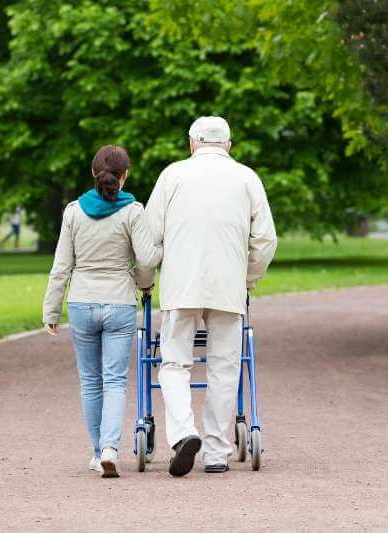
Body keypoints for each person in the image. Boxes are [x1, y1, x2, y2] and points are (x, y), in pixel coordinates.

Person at [143, 116, 277, 477]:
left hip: (180, 285)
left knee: (174, 363)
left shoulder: (172, 175)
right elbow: (265, 241)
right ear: (228, 146)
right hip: (227, 287)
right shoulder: (247, 178)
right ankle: (216, 451)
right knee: (224, 366)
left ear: (192, 144)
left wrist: (144, 279)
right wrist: (248, 279)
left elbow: (149, 237)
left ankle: (184, 432)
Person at [42, 145, 162, 478]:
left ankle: (98, 453)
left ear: (94, 174)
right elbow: (149, 260)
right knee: (114, 381)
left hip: (81, 303)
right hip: (120, 302)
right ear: (125, 175)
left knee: (90, 382)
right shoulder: (133, 212)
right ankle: (111, 448)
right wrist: (143, 283)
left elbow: (61, 267)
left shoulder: (73, 212)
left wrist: (51, 310)